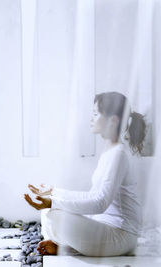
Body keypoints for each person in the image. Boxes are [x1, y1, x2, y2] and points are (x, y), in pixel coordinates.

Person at [24, 91, 146, 256]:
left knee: (53, 213)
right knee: (48, 211)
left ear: (113, 120)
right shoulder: (110, 151)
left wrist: (53, 202)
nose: (91, 118)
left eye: (96, 114)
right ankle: (65, 246)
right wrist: (54, 192)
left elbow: (99, 203)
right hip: (104, 226)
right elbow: (93, 196)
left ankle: (65, 246)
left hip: (121, 236)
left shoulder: (118, 154)